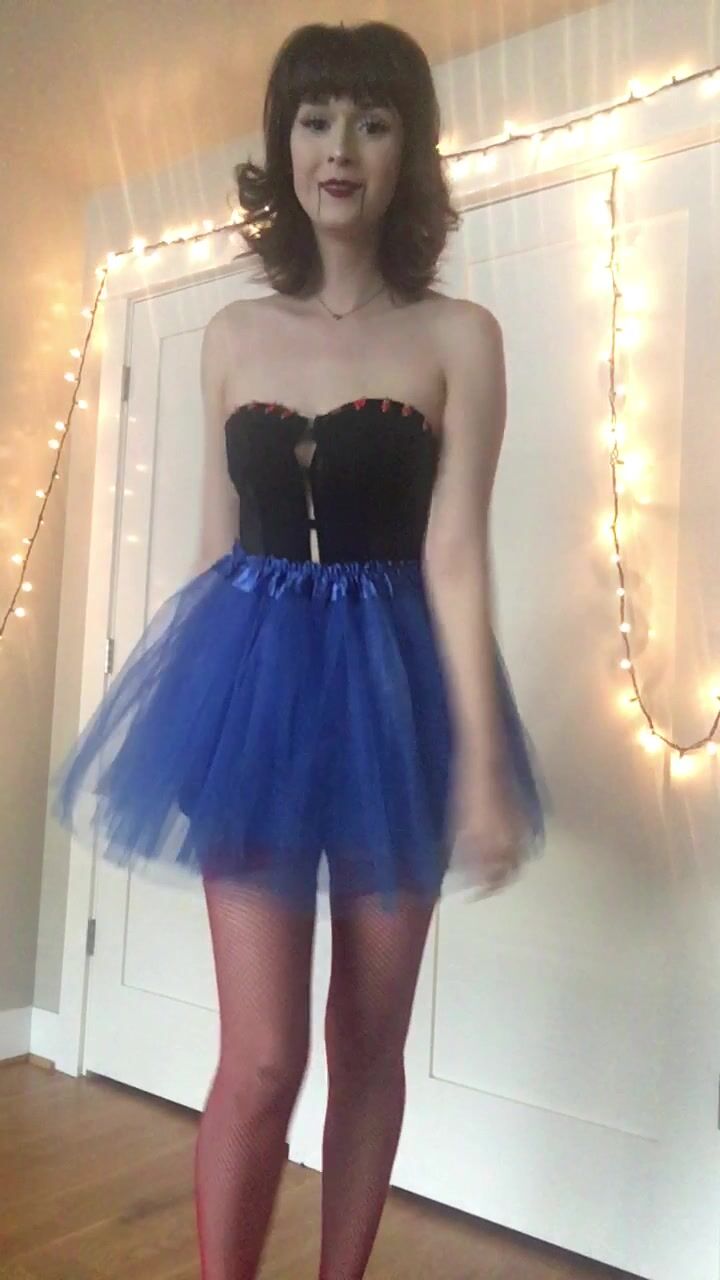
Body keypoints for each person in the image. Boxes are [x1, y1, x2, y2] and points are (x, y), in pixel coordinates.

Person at [50, 19, 549, 1280]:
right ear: (284, 143)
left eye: (373, 122)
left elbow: (456, 555)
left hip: (398, 700)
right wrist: (191, 720)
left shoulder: (462, 336)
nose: (341, 148)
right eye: (317, 119)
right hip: (256, 691)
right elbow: (214, 547)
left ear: (407, 151)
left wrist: (482, 760)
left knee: (366, 1044)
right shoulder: (230, 335)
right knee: (263, 1056)